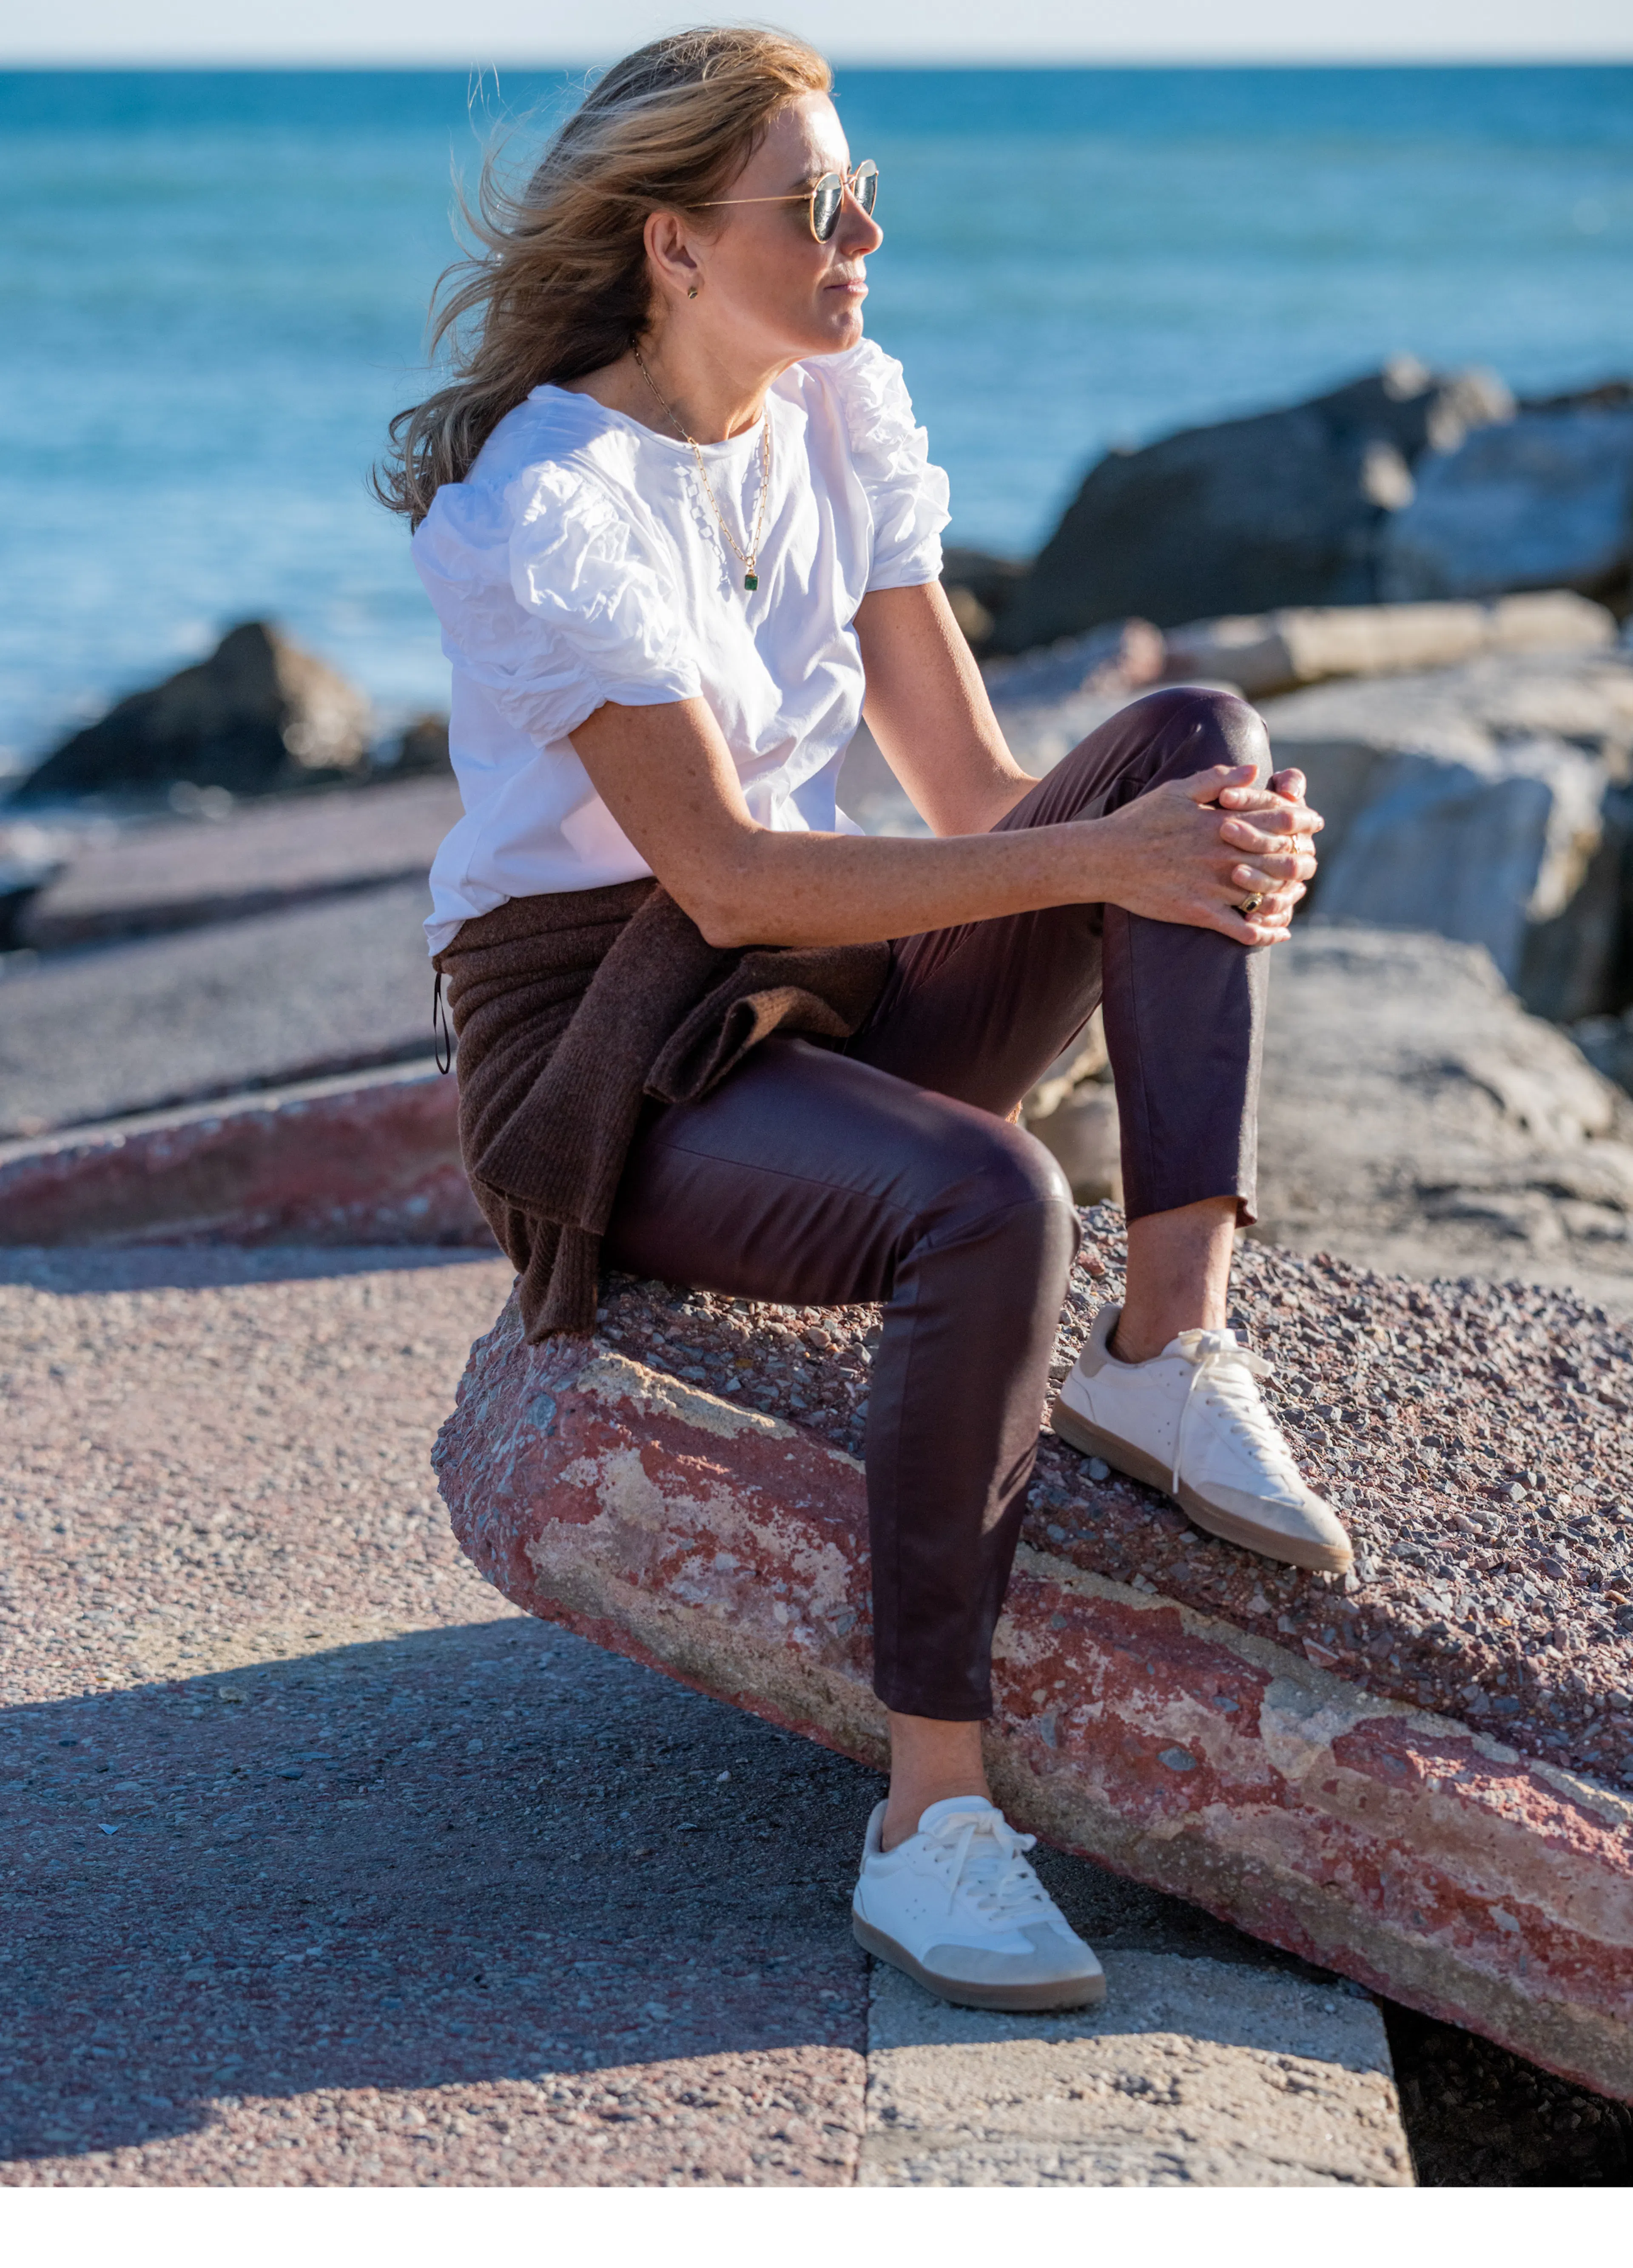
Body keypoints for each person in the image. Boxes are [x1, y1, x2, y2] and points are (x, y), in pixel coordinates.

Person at [381, 27, 1347, 2015]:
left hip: (817, 993)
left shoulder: (837, 411)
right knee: (994, 1202)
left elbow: (983, 800)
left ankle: (1172, 1352)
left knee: (1198, 743)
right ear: (671, 245)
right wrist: (1118, 871)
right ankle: (932, 1824)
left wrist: (1194, 850)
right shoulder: (550, 498)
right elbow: (726, 877)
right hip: (608, 1046)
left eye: (861, 190)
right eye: (815, 207)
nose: (864, 235)